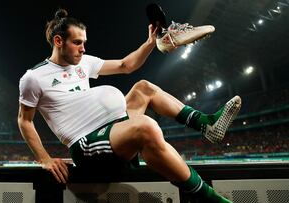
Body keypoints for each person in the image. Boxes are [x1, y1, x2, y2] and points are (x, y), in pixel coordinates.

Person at [18, 8, 241, 203]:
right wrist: (45, 159)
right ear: (58, 41)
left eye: (84, 42)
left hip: (113, 129)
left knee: (144, 88)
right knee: (146, 126)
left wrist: (150, 42)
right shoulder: (34, 77)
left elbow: (126, 65)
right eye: (77, 43)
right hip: (86, 144)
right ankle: (208, 198)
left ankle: (206, 125)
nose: (83, 48)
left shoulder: (83, 62)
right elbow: (25, 120)